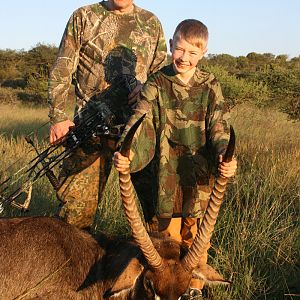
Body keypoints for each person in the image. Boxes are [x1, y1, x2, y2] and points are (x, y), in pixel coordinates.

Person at [113, 19, 237, 298]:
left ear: (203, 53)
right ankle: (160, 291)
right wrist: (126, 153)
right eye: (180, 50)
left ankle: (193, 292)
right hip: (164, 179)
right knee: (166, 243)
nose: (184, 58)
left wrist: (225, 155)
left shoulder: (210, 85)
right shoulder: (157, 82)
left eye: (193, 53)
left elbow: (219, 127)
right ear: (171, 46)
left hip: (199, 179)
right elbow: (139, 121)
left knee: (196, 243)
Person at [48, 0, 167, 230]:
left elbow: (160, 76)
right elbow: (62, 69)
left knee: (159, 213)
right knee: (73, 220)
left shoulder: (151, 23)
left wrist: (146, 88)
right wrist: (59, 117)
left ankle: (157, 264)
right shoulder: (83, 16)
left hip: (138, 131)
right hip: (88, 131)